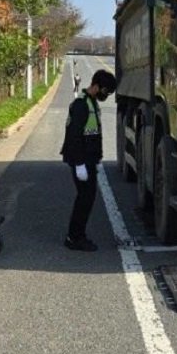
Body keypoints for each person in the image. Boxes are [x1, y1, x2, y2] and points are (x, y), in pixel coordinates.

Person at [60, 69, 117, 251]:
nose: (105, 95)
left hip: (88, 160)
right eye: (105, 91)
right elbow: (74, 136)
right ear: (96, 86)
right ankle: (74, 237)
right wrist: (79, 164)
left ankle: (77, 235)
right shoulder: (81, 105)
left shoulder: (91, 103)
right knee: (84, 198)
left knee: (87, 198)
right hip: (81, 160)